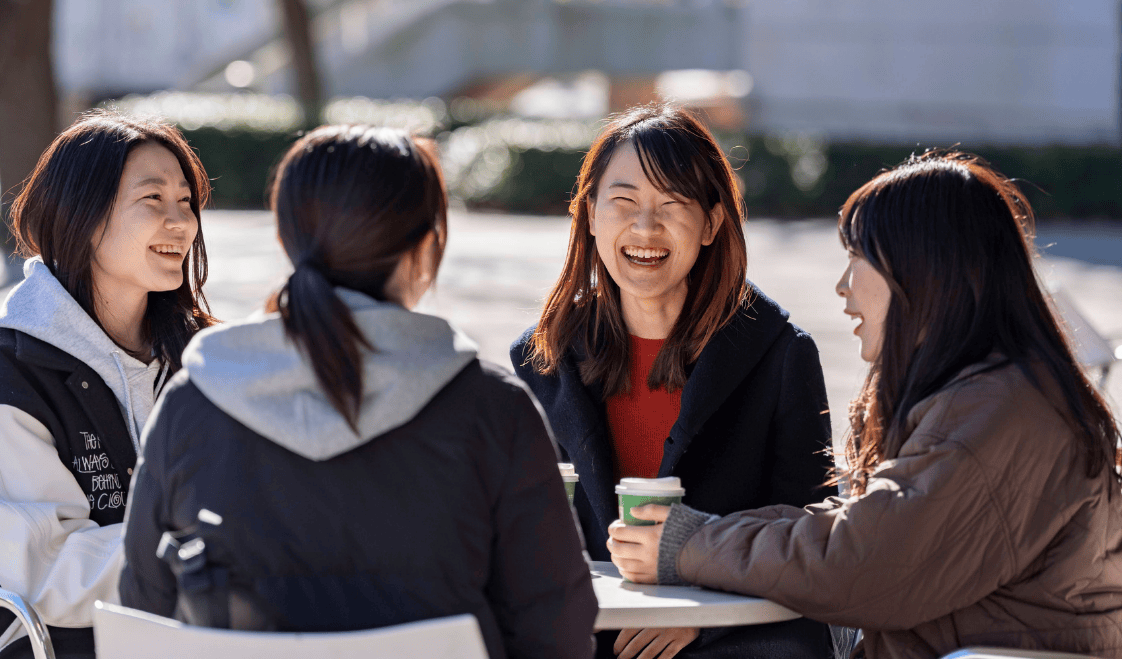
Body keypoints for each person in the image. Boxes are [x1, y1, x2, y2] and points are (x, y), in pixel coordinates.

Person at [608, 152, 1122, 658]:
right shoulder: (980, 395)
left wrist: (691, 547)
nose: (842, 287)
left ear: (923, 269)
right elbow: (858, 526)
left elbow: (861, 563)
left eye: (857, 259)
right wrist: (698, 538)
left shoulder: (1000, 414)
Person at [119, 124, 598, 658]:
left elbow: (143, 612)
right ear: (426, 245)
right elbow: (558, 627)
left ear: (287, 240)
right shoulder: (494, 409)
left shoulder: (193, 403)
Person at [511, 103, 835, 659]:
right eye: (623, 201)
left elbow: (811, 538)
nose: (645, 227)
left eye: (672, 204)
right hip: (589, 630)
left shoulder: (782, 355)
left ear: (711, 223)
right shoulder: (542, 358)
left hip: (730, 629)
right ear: (590, 214)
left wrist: (703, 619)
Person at [0, 112, 215, 659]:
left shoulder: (199, 360)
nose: (180, 222)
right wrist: (202, 554)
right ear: (83, 217)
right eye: (152, 200)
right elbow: (51, 577)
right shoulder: (2, 381)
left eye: (186, 202)